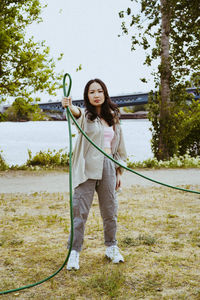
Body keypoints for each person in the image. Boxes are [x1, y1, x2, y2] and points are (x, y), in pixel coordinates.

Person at [62, 78, 127, 270]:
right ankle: (74, 252)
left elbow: (119, 148)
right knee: (79, 211)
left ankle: (111, 247)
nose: (96, 95)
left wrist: (119, 172)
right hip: (87, 167)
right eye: (92, 92)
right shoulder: (85, 115)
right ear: (87, 96)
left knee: (110, 210)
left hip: (108, 166)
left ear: (105, 93)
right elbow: (76, 113)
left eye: (99, 91)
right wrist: (70, 106)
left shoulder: (113, 117)